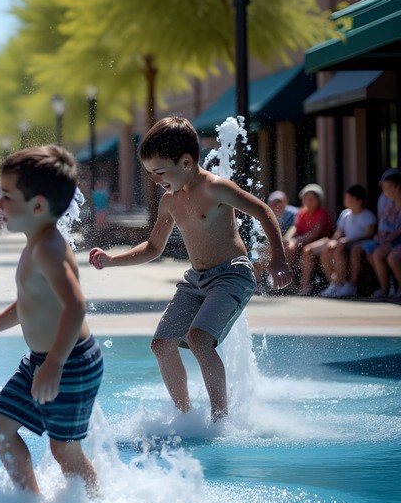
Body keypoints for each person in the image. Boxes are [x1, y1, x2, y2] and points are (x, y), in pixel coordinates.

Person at [87, 116, 291, 422]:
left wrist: (278, 258)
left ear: (185, 162)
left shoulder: (217, 189)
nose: (155, 180)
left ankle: (220, 420)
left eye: (159, 172)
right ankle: (186, 416)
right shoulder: (170, 203)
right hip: (196, 280)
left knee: (198, 339)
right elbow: (154, 248)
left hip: (232, 275)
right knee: (161, 345)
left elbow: (263, 211)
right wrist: (113, 260)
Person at [0, 145, 103, 496]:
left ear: (38, 206)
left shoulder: (48, 250)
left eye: (7, 196)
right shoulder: (36, 244)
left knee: (63, 449)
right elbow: (29, 303)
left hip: (70, 362)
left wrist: (54, 363)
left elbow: (76, 306)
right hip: (43, 361)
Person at [316, 185, 376, 298]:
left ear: (358, 200)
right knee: (326, 250)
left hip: (359, 245)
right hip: (346, 243)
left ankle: (350, 285)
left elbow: (369, 235)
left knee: (348, 250)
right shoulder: (345, 214)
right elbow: (339, 232)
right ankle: (335, 283)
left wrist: (348, 240)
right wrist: (332, 242)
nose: (345, 200)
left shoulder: (368, 215)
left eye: (348, 197)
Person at [284, 184, 334, 294]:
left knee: (307, 250)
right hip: (304, 243)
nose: (308, 201)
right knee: (287, 247)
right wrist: (289, 240)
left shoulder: (322, 214)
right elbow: (294, 228)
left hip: (322, 243)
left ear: (318, 200)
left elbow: (315, 233)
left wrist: (297, 241)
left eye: (312, 199)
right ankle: (287, 282)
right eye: (306, 198)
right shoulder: (302, 213)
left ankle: (305, 284)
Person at [364, 168, 401, 298]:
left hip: (396, 238)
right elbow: (383, 222)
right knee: (375, 253)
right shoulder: (385, 200)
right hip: (392, 239)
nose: (384, 189)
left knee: (393, 257)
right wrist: (381, 236)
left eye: (388, 186)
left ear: (397, 186)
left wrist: (387, 239)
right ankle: (385, 288)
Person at [252, 190, 298, 291]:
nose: (276, 205)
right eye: (273, 203)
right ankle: (256, 282)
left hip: (288, 241)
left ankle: (284, 279)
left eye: (279, 202)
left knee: (286, 246)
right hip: (270, 243)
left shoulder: (293, 213)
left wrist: (284, 240)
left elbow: (295, 228)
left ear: (285, 203)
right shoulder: (265, 213)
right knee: (257, 250)